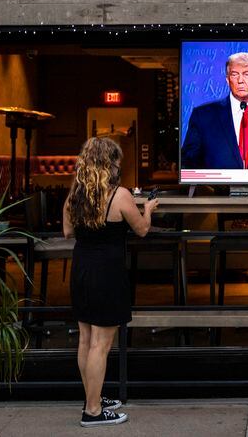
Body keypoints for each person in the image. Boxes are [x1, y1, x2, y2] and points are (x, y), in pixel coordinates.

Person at [63, 137, 159, 427]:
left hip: (80, 270)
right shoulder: (120, 195)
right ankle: (93, 411)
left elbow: (68, 231)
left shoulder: (75, 194)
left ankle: (93, 397)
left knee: (86, 339)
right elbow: (141, 230)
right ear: (110, 164)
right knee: (101, 345)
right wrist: (149, 209)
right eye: (117, 161)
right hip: (107, 273)